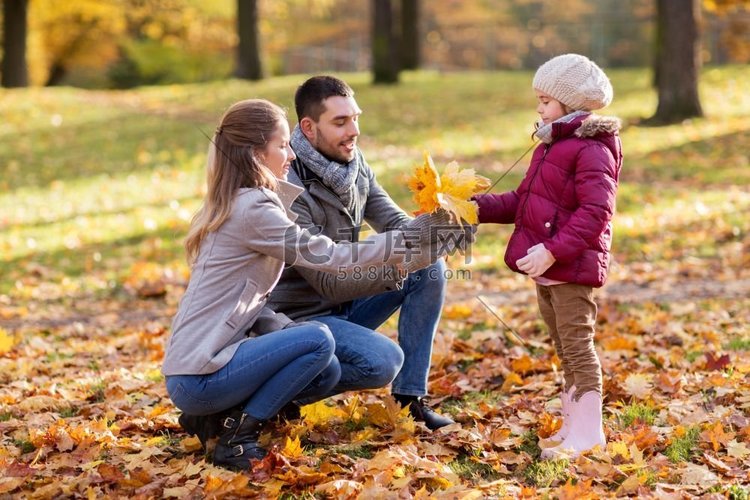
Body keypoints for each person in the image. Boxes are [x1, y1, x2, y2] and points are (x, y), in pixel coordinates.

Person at [162, 98, 447, 470]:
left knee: (323, 364)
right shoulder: (254, 210)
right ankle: (236, 436)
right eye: (282, 146)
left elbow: (253, 303)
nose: (290, 155)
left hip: (208, 367)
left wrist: (427, 236)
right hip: (199, 371)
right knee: (318, 339)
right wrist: (409, 240)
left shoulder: (249, 201)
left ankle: (218, 417)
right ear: (254, 154)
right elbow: (329, 257)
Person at [268, 76, 467, 430]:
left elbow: (393, 221)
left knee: (431, 269)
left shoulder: (353, 164)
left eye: (355, 118)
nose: (354, 130)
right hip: (301, 320)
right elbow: (329, 283)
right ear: (308, 128)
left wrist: (440, 231)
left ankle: (409, 400)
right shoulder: (290, 188)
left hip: (344, 308)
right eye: (340, 122)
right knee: (379, 362)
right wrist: (405, 261)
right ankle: (277, 394)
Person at [472, 54, 622, 458]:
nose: (538, 107)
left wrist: (553, 251)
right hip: (549, 270)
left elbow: (596, 213)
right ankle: (573, 426)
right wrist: (473, 207)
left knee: (578, 346)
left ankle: (590, 433)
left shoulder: (591, 148)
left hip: (570, 267)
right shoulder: (552, 144)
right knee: (563, 346)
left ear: (571, 103)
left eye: (545, 99)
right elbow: (523, 202)